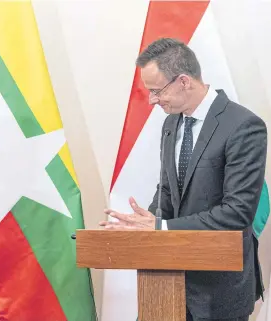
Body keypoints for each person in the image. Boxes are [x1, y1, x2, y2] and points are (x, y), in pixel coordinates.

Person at [99, 38, 266, 321]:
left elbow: (237, 212)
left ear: (184, 81)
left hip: (218, 290)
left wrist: (161, 227)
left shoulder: (244, 126)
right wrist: (139, 224)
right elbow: (168, 191)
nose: (152, 101)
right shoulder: (171, 122)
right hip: (168, 284)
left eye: (156, 91)